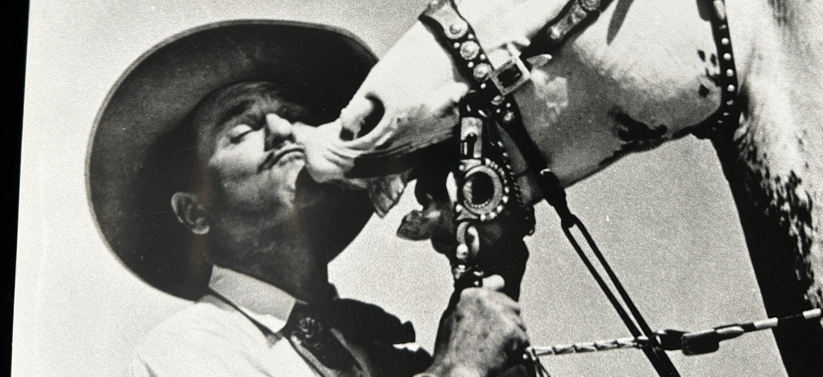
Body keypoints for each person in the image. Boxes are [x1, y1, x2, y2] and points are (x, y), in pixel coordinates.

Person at [88, 20, 529, 377]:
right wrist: (459, 370)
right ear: (195, 211)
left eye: (296, 117)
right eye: (242, 130)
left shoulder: (377, 346)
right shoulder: (188, 351)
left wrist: (493, 266)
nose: (284, 131)